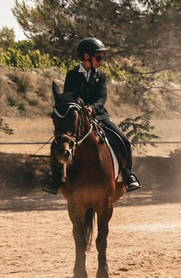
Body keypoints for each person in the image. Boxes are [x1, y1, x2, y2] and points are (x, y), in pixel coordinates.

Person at [43, 37, 142, 194]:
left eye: (102, 57)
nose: (101, 61)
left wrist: (92, 109)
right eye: (99, 57)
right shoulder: (73, 75)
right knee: (58, 144)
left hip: (99, 116)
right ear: (87, 57)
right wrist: (81, 108)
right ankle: (56, 177)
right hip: (77, 118)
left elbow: (102, 97)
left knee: (124, 141)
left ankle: (128, 174)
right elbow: (69, 96)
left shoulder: (101, 76)